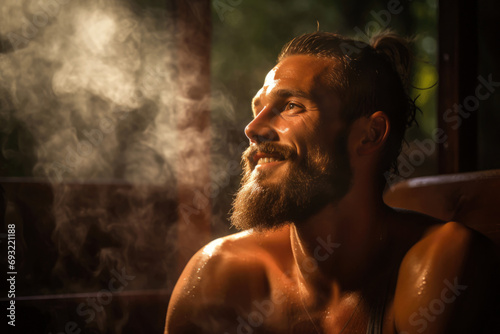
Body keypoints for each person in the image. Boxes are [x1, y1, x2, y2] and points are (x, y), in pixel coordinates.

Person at [164, 31, 497, 334]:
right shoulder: (220, 273)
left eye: (291, 106)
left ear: (369, 135)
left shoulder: (441, 262)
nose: (252, 129)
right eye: (258, 108)